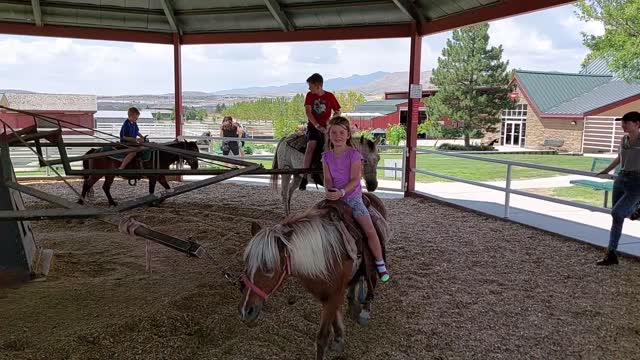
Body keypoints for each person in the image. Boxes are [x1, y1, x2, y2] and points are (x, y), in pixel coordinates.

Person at [322, 116, 390, 282]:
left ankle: (380, 262)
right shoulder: (326, 156)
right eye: (334, 132)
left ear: (347, 135)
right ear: (329, 135)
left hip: (352, 198)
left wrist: (341, 193)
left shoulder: (354, 155)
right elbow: (328, 178)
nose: (337, 136)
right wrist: (329, 190)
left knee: (369, 229)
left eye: (341, 132)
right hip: (334, 198)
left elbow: (355, 179)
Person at [596, 111, 640, 266]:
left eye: (626, 122)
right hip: (621, 179)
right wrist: (606, 170)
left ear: (636, 124)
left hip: (637, 181)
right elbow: (619, 158)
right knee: (616, 217)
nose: (622, 125)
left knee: (617, 211)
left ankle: (636, 210)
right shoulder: (624, 139)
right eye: (622, 122)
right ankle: (611, 253)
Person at [301, 73, 341, 190]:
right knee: (311, 146)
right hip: (313, 127)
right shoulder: (309, 96)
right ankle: (304, 176)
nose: (309, 88)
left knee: (337, 146)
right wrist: (318, 126)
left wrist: (331, 122)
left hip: (328, 127)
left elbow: (337, 111)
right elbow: (308, 112)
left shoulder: (329, 96)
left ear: (317, 86)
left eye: (310, 85)